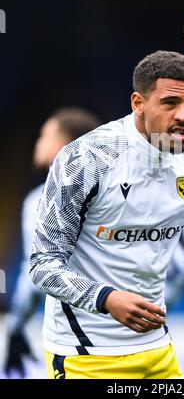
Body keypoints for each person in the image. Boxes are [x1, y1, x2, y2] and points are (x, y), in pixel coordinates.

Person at [29, 51, 184, 380]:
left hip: (159, 349)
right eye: (169, 103)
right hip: (87, 354)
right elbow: (42, 266)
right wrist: (106, 298)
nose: (183, 115)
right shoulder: (86, 159)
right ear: (138, 103)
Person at [5, 108, 101, 378]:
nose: (38, 142)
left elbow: (36, 273)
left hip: (74, 341)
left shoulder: (42, 199)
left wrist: (16, 327)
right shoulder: (121, 192)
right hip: (132, 338)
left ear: (62, 144)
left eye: (44, 135)